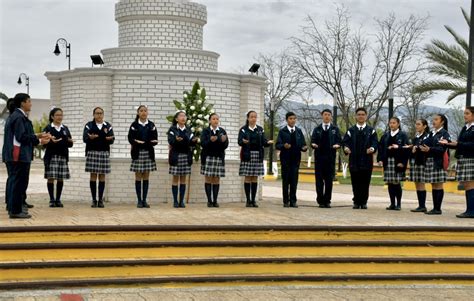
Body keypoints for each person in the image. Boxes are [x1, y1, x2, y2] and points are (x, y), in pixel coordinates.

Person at [3, 93, 50, 218]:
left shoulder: (17, 116)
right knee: (18, 182)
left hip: (17, 154)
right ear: (22, 103)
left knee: (16, 182)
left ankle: (14, 208)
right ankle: (15, 211)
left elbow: (22, 135)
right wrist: (39, 140)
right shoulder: (19, 117)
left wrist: (38, 136)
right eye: (29, 101)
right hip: (18, 155)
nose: (31, 103)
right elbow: (21, 137)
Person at [440, 107, 474, 218]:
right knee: (466, 184)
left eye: (467, 113)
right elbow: (460, 142)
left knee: (470, 184)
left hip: (471, 158)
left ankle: (471, 211)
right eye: (464, 113)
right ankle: (469, 210)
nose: (465, 115)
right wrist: (449, 143)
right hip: (463, 158)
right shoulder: (465, 127)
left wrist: (458, 144)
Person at [342, 108, 378, 209]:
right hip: (354, 160)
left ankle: (364, 201)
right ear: (355, 116)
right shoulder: (350, 130)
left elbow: (375, 142)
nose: (361, 116)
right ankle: (356, 202)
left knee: (365, 182)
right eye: (359, 114)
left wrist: (372, 148)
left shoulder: (371, 131)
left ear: (366, 116)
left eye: (363, 114)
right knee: (355, 182)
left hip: (366, 161)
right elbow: (345, 142)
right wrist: (346, 148)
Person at [238, 111, 273, 207]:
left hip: (258, 156)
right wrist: (243, 141)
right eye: (252, 117)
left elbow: (264, 142)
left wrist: (268, 142)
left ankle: (253, 200)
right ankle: (248, 200)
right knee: (248, 177)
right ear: (248, 118)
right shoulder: (243, 130)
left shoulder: (260, 129)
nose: (253, 118)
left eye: (255, 117)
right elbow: (239, 141)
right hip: (247, 155)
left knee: (254, 178)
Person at [83, 107, 115, 208]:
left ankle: (100, 200)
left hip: (104, 152)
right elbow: (85, 138)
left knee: (102, 176)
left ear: (103, 114)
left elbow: (112, 138)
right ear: (93, 115)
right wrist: (90, 138)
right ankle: (93, 200)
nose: (99, 115)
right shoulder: (89, 125)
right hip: (92, 152)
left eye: (101, 113)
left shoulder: (108, 126)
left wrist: (109, 139)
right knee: (93, 176)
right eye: (97, 113)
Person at [419, 114, 450, 215]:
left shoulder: (444, 133)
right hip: (430, 160)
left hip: (438, 161)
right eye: (433, 120)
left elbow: (442, 149)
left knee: (438, 184)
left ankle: (438, 208)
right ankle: (434, 208)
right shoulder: (431, 133)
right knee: (433, 184)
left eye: (436, 119)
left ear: (442, 122)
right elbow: (425, 142)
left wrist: (430, 149)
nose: (433, 121)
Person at [128, 105, 158, 208]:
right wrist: (137, 142)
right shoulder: (134, 125)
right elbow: (130, 138)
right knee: (138, 177)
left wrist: (146, 143)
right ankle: (139, 200)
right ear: (138, 113)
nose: (143, 112)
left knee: (146, 176)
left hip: (148, 153)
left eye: (145, 111)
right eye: (141, 111)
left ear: (147, 112)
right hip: (137, 153)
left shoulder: (151, 125)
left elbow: (155, 139)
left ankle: (144, 200)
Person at [42, 107, 73, 208]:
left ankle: (58, 199)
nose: (60, 117)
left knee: (60, 178)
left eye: (61, 115)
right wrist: (51, 141)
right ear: (52, 116)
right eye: (57, 115)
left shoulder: (65, 128)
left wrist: (70, 142)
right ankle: (51, 199)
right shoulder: (48, 128)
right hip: (51, 156)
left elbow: (69, 143)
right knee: (51, 178)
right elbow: (43, 143)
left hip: (63, 156)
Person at [276, 112, 308, 208]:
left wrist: (304, 148)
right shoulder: (282, 131)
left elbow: (303, 144)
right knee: (286, 181)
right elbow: (277, 144)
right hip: (285, 159)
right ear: (287, 120)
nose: (293, 120)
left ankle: (293, 201)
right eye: (290, 118)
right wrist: (283, 146)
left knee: (294, 181)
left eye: (294, 118)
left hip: (295, 159)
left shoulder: (299, 131)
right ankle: (286, 201)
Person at [311, 109, 342, 208]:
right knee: (319, 181)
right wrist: (313, 144)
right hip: (319, 158)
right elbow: (312, 141)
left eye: (329, 115)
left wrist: (337, 145)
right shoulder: (317, 129)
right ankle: (320, 200)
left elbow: (339, 141)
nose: (327, 116)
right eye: (325, 114)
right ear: (322, 115)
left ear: (331, 116)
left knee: (329, 181)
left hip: (330, 158)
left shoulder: (335, 129)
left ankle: (327, 200)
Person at [377, 117, 409, 210]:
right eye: (390, 123)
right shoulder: (385, 135)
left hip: (398, 161)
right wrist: (380, 159)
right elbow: (381, 148)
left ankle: (398, 204)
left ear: (398, 124)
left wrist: (402, 162)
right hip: (388, 161)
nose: (392, 124)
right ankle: (392, 203)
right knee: (390, 183)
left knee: (396, 183)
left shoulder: (403, 135)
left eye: (394, 123)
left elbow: (406, 149)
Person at [168, 111, 198, 208]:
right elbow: (171, 141)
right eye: (181, 116)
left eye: (184, 116)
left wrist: (194, 141)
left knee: (183, 180)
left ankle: (181, 201)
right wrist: (176, 140)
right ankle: (175, 201)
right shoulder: (172, 129)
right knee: (175, 179)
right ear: (176, 119)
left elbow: (191, 142)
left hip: (186, 156)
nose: (183, 118)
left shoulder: (189, 130)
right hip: (176, 156)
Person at [200, 113, 229, 208]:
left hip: (219, 158)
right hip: (208, 157)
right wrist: (210, 140)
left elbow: (225, 146)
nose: (215, 120)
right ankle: (209, 201)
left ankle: (215, 201)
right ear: (209, 121)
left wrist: (224, 141)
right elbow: (203, 144)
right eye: (213, 119)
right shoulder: (206, 131)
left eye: (217, 119)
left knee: (216, 179)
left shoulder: (222, 131)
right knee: (208, 178)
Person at [408, 119, 430, 212]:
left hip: (422, 162)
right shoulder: (416, 136)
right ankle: (420, 205)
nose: (417, 126)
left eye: (419, 124)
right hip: (415, 161)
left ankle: (422, 205)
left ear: (424, 126)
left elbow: (424, 146)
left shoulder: (427, 136)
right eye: (416, 124)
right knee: (417, 183)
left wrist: (416, 148)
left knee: (421, 183)